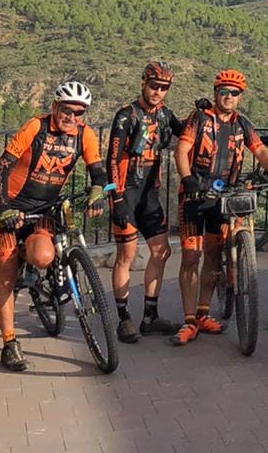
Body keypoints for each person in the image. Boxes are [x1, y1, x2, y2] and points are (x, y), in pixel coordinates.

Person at [0, 81, 112, 371]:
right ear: (55, 107)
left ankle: (25, 257)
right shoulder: (36, 127)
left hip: (43, 208)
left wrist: (98, 191)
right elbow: (2, 167)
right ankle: (9, 343)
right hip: (8, 205)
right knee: (6, 275)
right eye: (67, 110)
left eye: (79, 113)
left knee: (44, 257)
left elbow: (97, 170)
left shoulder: (85, 135)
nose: (72, 117)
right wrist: (5, 207)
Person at [172, 69, 268, 346]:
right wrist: (188, 178)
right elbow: (181, 150)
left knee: (214, 256)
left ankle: (203, 313)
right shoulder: (200, 118)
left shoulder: (242, 123)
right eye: (224, 91)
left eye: (234, 93)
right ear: (216, 93)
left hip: (224, 197)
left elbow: (260, 149)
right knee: (192, 258)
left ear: (240, 97)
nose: (228, 97)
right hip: (195, 196)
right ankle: (189, 319)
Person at [106, 60, 186, 342]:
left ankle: (150, 317)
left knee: (161, 251)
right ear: (143, 83)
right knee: (126, 256)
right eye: (154, 86)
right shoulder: (126, 115)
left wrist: (203, 114)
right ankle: (123, 318)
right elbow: (112, 159)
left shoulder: (164, 114)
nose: (158, 92)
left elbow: (185, 131)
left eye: (164, 88)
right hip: (127, 191)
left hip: (149, 192)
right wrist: (115, 198)